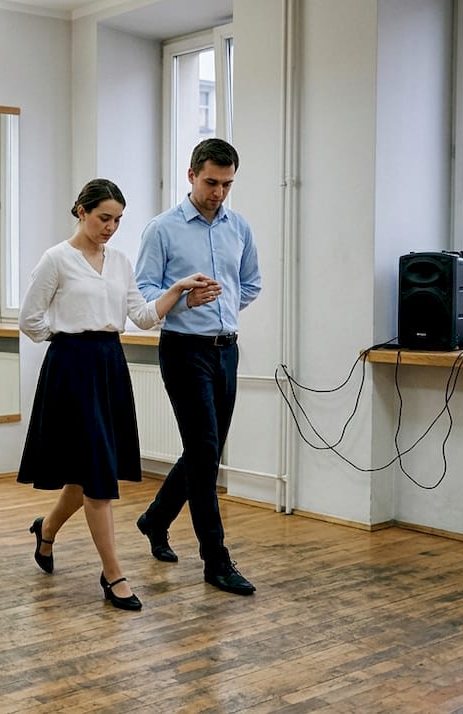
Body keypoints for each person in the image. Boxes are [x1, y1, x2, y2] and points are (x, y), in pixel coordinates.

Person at [19, 179, 211, 612]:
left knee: (88, 472)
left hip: (109, 364)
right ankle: (113, 574)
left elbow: (142, 317)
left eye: (118, 220)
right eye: (104, 218)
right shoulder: (56, 260)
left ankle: (46, 530)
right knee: (98, 479)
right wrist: (68, 339)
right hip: (71, 367)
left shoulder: (121, 261)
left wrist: (177, 291)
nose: (111, 227)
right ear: (81, 211)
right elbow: (30, 321)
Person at [133, 138, 262, 596]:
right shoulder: (162, 229)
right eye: (211, 182)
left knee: (204, 451)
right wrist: (187, 302)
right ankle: (216, 560)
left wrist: (222, 313)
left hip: (226, 350)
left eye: (227, 184)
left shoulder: (238, 227)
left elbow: (250, 283)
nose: (219, 192)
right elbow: (145, 294)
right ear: (191, 176)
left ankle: (155, 519)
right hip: (183, 350)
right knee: (206, 452)